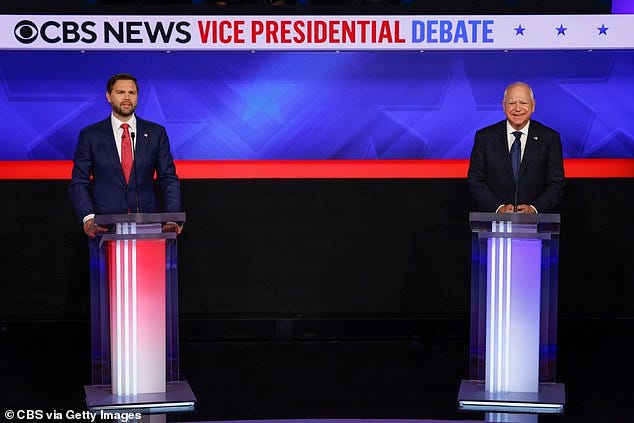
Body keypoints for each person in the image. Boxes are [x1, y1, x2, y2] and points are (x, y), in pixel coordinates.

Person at [69, 73, 181, 235]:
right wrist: (89, 218)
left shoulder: (156, 133)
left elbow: (168, 178)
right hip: (104, 227)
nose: (127, 97)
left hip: (147, 224)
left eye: (132, 92)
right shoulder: (91, 135)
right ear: (108, 96)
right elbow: (79, 182)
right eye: (120, 92)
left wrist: (173, 217)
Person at [467, 81, 564, 213]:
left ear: (533, 106)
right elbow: (475, 180)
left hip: (537, 224)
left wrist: (534, 209)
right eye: (512, 103)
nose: (517, 108)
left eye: (523, 103)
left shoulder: (549, 138)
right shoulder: (485, 137)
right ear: (503, 106)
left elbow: (556, 183)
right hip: (494, 223)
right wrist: (499, 208)